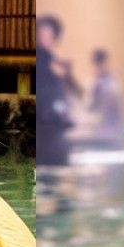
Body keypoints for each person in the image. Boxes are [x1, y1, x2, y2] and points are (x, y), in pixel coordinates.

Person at [37, 14, 80, 164]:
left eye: (48, 34)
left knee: (57, 156)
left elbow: (75, 90)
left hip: (56, 120)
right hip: (42, 119)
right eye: (41, 33)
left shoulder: (57, 60)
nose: (44, 37)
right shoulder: (42, 59)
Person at [88, 49, 124, 145]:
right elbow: (91, 107)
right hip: (101, 129)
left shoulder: (112, 81)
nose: (99, 66)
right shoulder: (95, 82)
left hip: (113, 128)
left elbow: (117, 105)